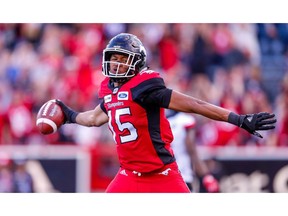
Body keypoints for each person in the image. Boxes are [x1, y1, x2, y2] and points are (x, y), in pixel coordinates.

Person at [55, 33, 276, 193]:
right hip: (128, 175)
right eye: (114, 58)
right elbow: (94, 118)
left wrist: (237, 119)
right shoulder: (111, 91)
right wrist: (69, 116)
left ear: (137, 62)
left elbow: (195, 104)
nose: (115, 64)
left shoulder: (146, 86)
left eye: (123, 59)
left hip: (162, 174)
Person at [166, 110, 219, 192]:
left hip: (164, 176)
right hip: (182, 175)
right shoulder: (186, 121)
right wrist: (206, 176)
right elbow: (191, 149)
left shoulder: (160, 120)